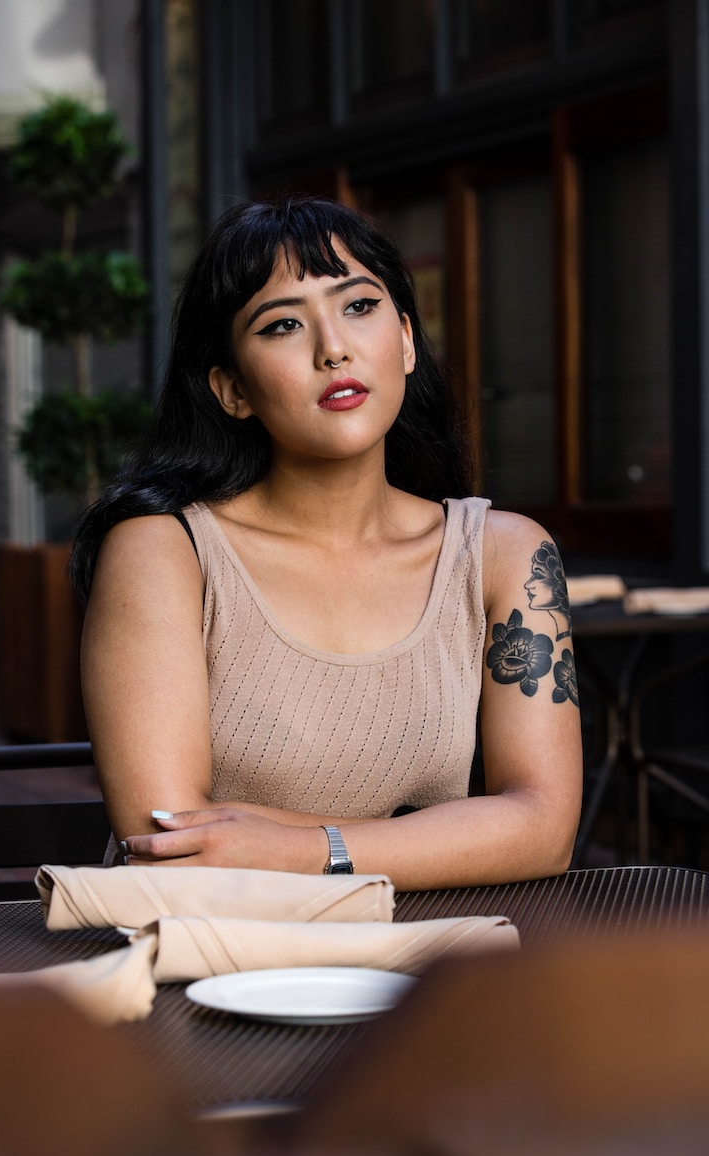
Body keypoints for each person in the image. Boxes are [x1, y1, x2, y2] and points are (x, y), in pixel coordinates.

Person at [70, 195, 582, 891]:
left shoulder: (503, 554)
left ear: (405, 341)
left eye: (359, 306)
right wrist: (444, 835)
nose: (332, 347)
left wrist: (301, 848)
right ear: (232, 390)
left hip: (432, 966)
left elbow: (545, 829)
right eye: (282, 324)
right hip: (217, 963)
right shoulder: (164, 550)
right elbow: (170, 841)